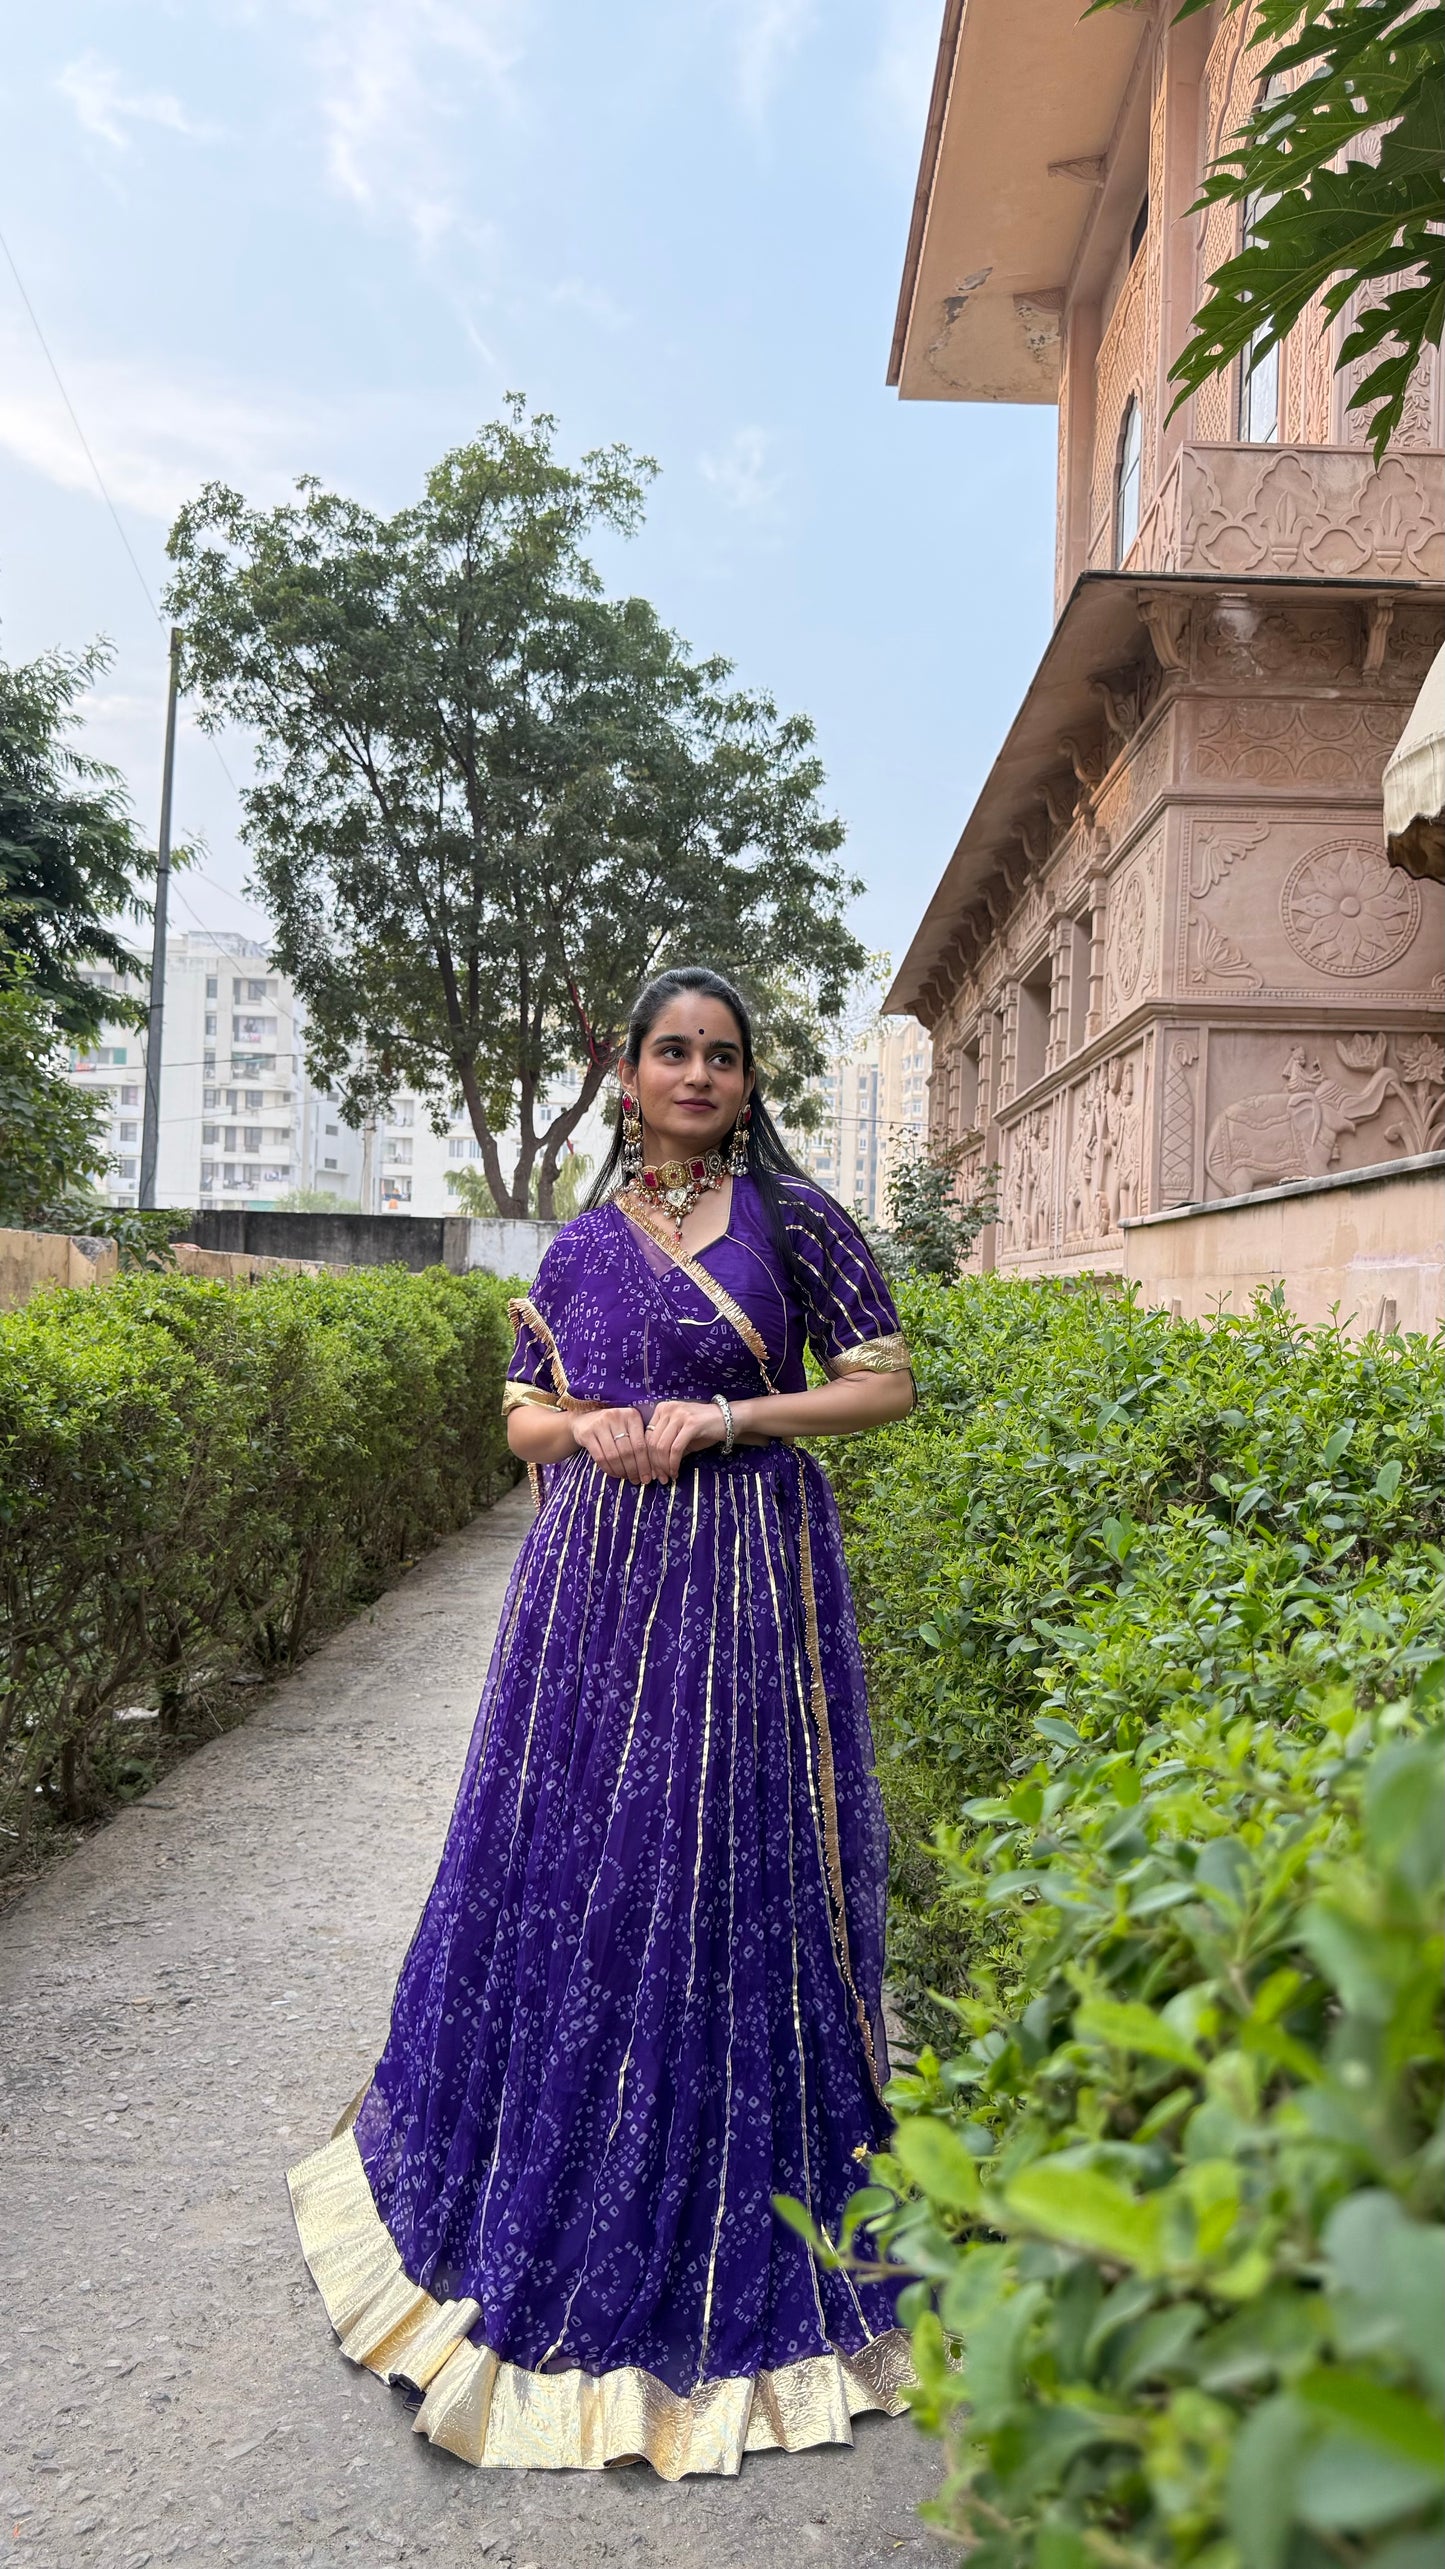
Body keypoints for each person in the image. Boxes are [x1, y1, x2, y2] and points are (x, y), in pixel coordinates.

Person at [287, 966, 917, 2478]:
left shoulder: (798, 1227)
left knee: (725, 1866)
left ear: (749, 1083)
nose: (697, 1073)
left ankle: (725, 2188)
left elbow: (883, 1386)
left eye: (723, 1055)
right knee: (579, 1870)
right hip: (590, 1594)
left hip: (747, 1578)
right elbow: (521, 1417)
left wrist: (724, 1418)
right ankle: (542, 2169)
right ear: (625, 1076)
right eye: (671, 1051)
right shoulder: (575, 1247)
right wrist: (589, 1430)